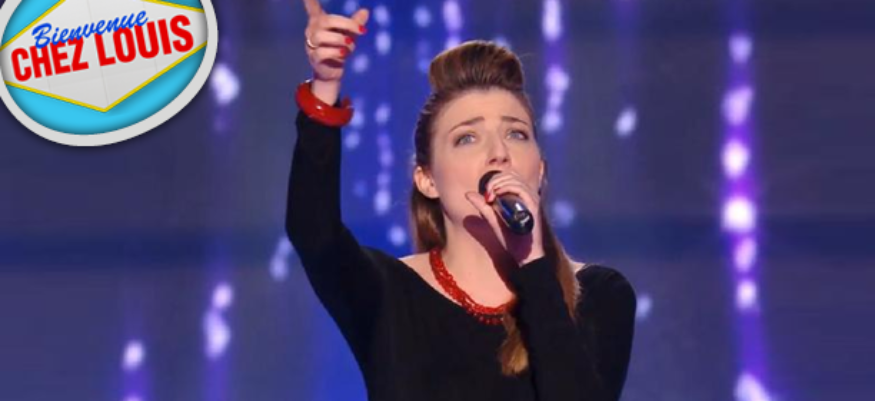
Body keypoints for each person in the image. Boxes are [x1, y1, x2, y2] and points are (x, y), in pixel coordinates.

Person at [285, 1, 637, 400]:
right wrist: (325, 88)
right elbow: (313, 231)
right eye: (467, 138)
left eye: (516, 134)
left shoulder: (599, 295)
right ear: (427, 180)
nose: (498, 153)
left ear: (539, 172)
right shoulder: (388, 293)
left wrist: (534, 266)